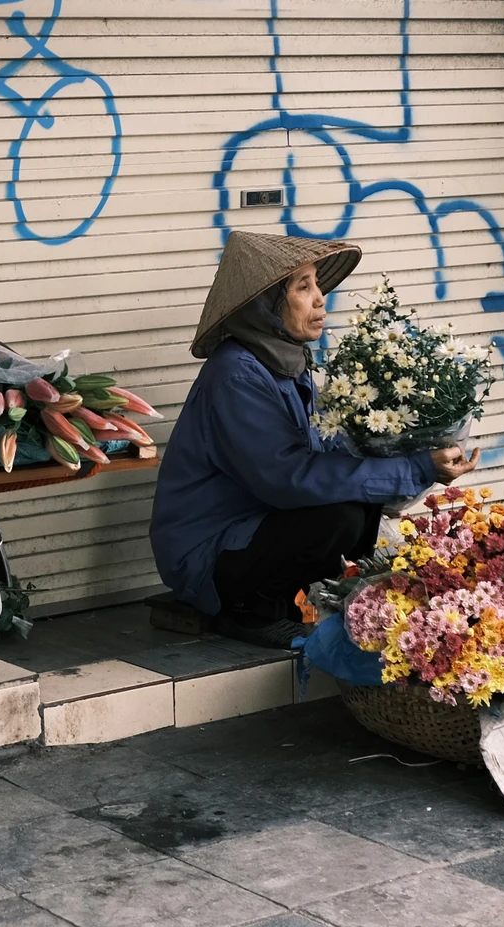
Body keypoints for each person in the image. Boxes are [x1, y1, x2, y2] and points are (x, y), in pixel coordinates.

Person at [148, 232, 475, 648]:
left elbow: (331, 451)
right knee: (341, 513)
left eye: (317, 284)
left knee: (357, 500)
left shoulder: (286, 361)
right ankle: (247, 611)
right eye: (303, 287)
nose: (321, 298)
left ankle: (284, 599)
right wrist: (415, 468)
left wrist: (410, 451)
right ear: (264, 305)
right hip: (209, 554)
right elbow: (287, 478)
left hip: (252, 532)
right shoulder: (236, 375)